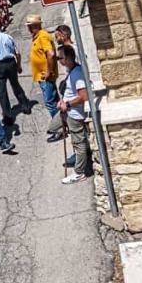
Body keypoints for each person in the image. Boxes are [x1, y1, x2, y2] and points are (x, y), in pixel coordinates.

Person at [47, 45, 91, 184]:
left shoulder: (77, 73)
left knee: (79, 143)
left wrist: (68, 104)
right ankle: (81, 156)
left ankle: (79, 172)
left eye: (60, 58)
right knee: (53, 127)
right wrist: (62, 101)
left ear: (67, 59)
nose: (58, 60)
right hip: (66, 111)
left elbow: (83, 96)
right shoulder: (72, 71)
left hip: (74, 114)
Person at [0, 19, 31, 126]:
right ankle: (25, 106)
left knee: (2, 92)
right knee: (16, 85)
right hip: (11, 63)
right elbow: (17, 53)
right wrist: (18, 65)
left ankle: (8, 116)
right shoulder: (8, 37)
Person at [26, 14, 59, 120]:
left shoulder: (42, 36)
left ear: (36, 26)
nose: (29, 28)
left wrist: (49, 71)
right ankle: (63, 124)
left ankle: (57, 127)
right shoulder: (37, 37)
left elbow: (51, 54)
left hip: (46, 76)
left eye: (30, 26)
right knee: (55, 100)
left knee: (50, 102)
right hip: (42, 76)